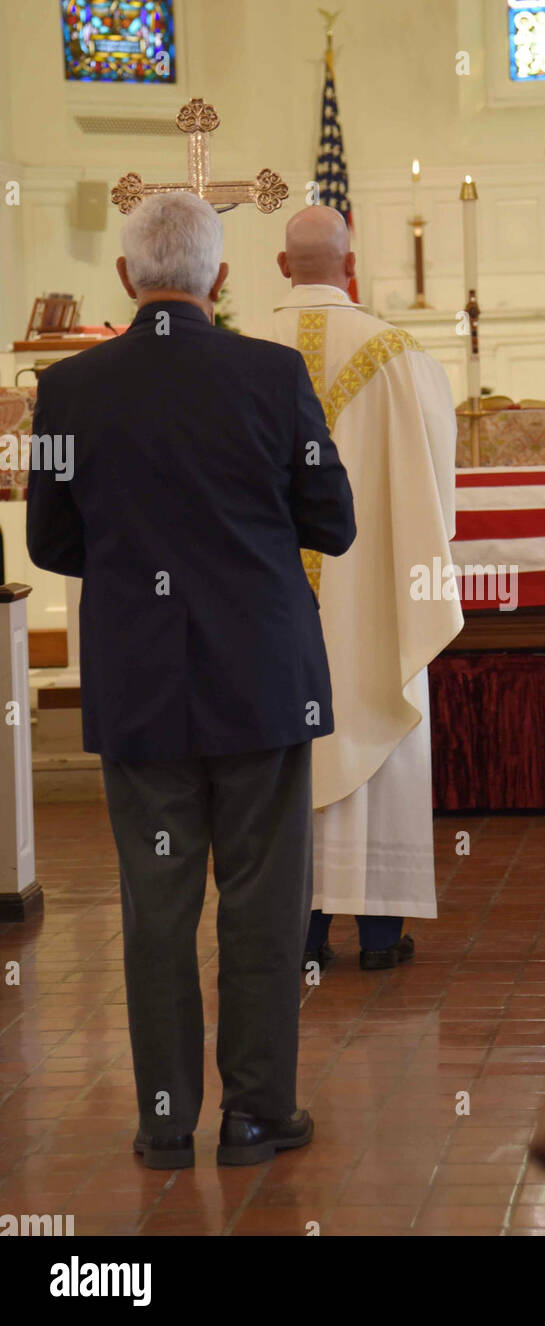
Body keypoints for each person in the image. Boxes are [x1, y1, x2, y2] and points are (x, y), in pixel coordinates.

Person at [27, 192, 355, 1169]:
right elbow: (329, 520)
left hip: (140, 683)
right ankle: (257, 1114)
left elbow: (50, 538)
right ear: (220, 279)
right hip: (263, 677)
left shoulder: (66, 389)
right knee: (263, 901)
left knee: (156, 905)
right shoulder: (273, 372)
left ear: (127, 280)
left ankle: (164, 1121)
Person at [266, 205, 462, 971]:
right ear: (352, 263)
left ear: (283, 267)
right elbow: (436, 492)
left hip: (272, 604)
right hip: (379, 594)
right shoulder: (403, 355)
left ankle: (301, 932)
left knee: (285, 750)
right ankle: (381, 936)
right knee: (382, 714)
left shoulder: (241, 355)